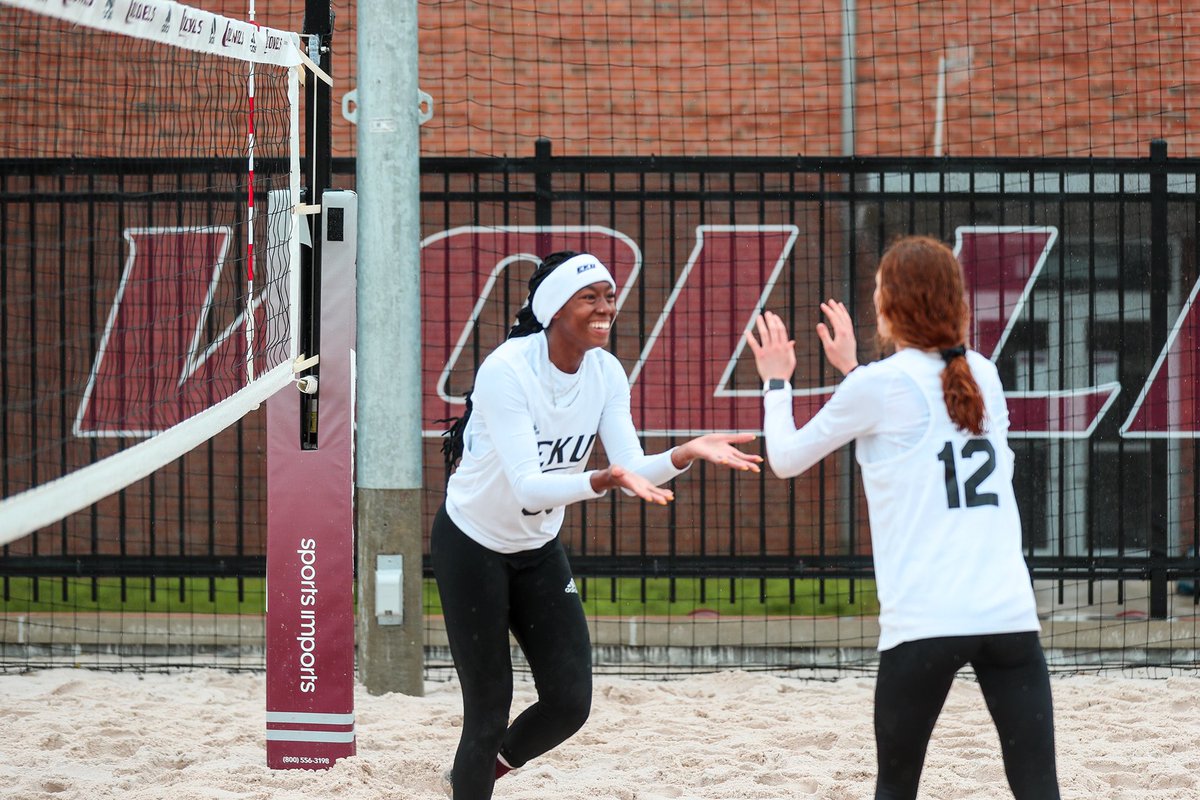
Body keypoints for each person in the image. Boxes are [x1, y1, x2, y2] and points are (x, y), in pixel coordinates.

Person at [433, 250, 762, 800]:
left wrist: (685, 452)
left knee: (569, 702)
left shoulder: (606, 371)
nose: (606, 307)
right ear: (554, 308)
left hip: (535, 548)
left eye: (609, 296)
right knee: (488, 708)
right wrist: (601, 480)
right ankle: (473, 778)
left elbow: (628, 466)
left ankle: (479, 774)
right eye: (591, 297)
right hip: (473, 545)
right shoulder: (508, 370)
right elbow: (529, 486)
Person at [744, 235, 1061, 800]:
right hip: (1007, 614)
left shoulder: (880, 386)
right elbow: (916, 420)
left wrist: (776, 382)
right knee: (1038, 789)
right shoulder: (981, 373)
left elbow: (787, 459)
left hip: (926, 621)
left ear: (889, 307)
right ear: (956, 304)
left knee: (896, 788)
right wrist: (853, 371)